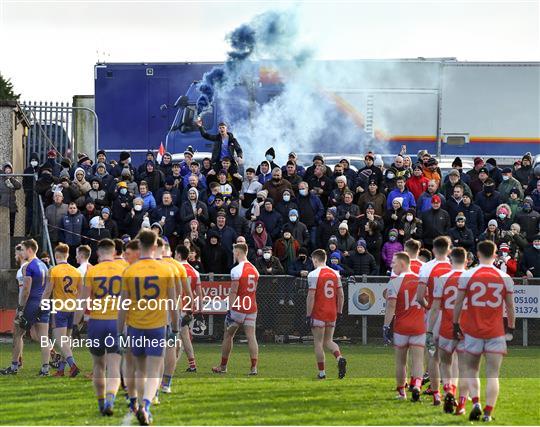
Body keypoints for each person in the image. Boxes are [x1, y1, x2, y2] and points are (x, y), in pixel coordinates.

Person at [117, 230, 179, 425]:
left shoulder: (130, 270)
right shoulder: (165, 270)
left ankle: (136, 402)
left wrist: (119, 331)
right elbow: (173, 303)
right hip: (157, 326)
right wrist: (175, 328)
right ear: (155, 247)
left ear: (139, 246)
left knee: (138, 370)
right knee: (153, 371)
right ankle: (146, 406)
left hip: (135, 326)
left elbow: (123, 305)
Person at [453, 240, 516, 422]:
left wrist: (456, 324)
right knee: (493, 374)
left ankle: (475, 404)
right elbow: (510, 308)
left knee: (471, 369)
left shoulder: (469, 274)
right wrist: (510, 328)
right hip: (495, 332)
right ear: (495, 255)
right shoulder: (504, 277)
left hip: (473, 331)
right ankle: (488, 413)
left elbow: (458, 303)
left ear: (478, 254)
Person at [74, 239, 123, 414]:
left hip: (96, 322)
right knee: (114, 365)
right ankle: (110, 400)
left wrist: (75, 323)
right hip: (116, 321)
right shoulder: (124, 269)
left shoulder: (92, 271)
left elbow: (83, 300)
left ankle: (101, 402)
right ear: (115, 252)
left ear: (97, 253)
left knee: (98, 366)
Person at [1, 240, 51, 376]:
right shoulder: (44, 265)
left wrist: (21, 308)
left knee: (17, 334)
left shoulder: (28, 267)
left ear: (29, 250)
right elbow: (47, 287)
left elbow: (26, 290)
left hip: (31, 303)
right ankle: (45, 368)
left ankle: (14, 366)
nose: (21, 253)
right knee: (42, 337)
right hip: (44, 303)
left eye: (22, 250)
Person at [426, 247, 467, 414]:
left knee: (446, 363)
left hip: (445, 327)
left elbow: (435, 308)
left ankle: (448, 389)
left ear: (451, 261)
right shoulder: (472, 277)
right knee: (465, 367)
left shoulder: (442, 278)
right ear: (466, 261)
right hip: (466, 328)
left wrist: (429, 330)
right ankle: (462, 404)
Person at [383, 252, 425, 401]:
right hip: (419, 326)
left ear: (402, 263)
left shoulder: (395, 282)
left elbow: (391, 306)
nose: (392, 265)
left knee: (401, 361)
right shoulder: (421, 280)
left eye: (394, 263)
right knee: (418, 360)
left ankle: (402, 392)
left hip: (401, 326)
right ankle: (417, 385)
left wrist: (386, 326)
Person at [212, 243, 259, 375]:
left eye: (234, 252)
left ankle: (223, 366)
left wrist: (230, 309)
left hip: (239, 307)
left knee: (228, 335)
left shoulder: (237, 270)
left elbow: (233, 292)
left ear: (238, 253)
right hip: (252, 306)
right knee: (251, 337)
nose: (233, 254)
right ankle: (254, 367)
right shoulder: (255, 269)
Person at [416, 236, 452, 405]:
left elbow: (419, 296)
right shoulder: (456, 266)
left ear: (433, 250)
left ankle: (436, 394)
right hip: (453, 316)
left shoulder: (427, 267)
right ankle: (452, 391)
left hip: (434, 315)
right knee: (454, 357)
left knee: (433, 355)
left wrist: (428, 307)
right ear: (449, 249)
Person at [41, 243, 82, 377]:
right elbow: (80, 293)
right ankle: (61, 370)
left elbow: (48, 289)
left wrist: (42, 303)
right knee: (67, 340)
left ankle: (73, 365)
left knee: (59, 340)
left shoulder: (54, 270)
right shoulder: (76, 271)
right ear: (68, 255)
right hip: (73, 308)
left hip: (60, 308)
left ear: (56, 255)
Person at [306, 249, 347, 380]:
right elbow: (341, 295)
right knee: (328, 341)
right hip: (332, 311)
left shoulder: (313, 274)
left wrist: (308, 314)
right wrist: (339, 311)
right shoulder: (335, 273)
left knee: (318, 342)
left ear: (315, 260)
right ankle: (339, 357)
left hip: (319, 311)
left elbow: (311, 296)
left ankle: (322, 372)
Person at [175, 245, 203, 373]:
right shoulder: (194, 271)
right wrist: (200, 310)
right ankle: (191, 365)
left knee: (176, 336)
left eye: (175, 254)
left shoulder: (175, 269)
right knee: (183, 337)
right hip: (188, 308)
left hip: (176, 307)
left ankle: (171, 364)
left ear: (179, 255)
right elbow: (199, 293)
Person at [0, 162, 22, 235]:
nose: (7, 171)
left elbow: (18, 186)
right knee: (3, 223)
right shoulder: (1, 179)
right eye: (6, 169)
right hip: (3, 205)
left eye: (9, 169)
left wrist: (11, 179)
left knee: (11, 223)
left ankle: (11, 236)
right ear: (3, 170)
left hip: (12, 205)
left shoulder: (13, 178)